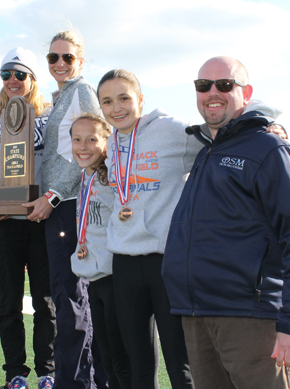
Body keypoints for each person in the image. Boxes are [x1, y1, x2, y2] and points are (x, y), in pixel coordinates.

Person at [162, 56, 290, 389]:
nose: (212, 93)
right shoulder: (205, 152)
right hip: (197, 315)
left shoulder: (269, 149)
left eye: (224, 85)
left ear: (245, 93)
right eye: (203, 85)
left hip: (251, 318)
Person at [98, 69, 197, 389]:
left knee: (180, 364)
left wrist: (268, 124)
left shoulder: (171, 130)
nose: (117, 108)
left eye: (124, 98)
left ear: (140, 99)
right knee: (139, 365)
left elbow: (218, 139)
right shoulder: (112, 142)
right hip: (124, 263)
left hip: (165, 261)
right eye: (108, 102)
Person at [23, 29, 106, 389]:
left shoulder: (82, 92)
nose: (59, 63)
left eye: (67, 57)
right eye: (53, 58)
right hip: (59, 206)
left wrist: (54, 195)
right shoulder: (61, 97)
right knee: (67, 295)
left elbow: (88, 147)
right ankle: (82, 379)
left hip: (70, 205)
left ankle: (75, 382)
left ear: (80, 61)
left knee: (70, 296)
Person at [0, 47, 56, 389]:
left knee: (45, 302)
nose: (12, 80)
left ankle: (48, 371)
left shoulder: (50, 118)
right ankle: (15, 373)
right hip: (5, 223)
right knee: (8, 302)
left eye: (20, 74)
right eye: (6, 74)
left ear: (33, 80)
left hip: (41, 219)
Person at [69, 113, 131, 389]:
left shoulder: (112, 177)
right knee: (106, 358)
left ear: (107, 141)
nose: (83, 146)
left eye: (92, 139)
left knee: (121, 360)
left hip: (116, 278)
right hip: (94, 278)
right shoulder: (86, 177)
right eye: (77, 139)